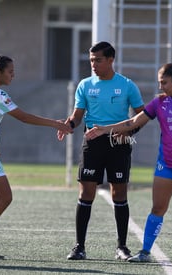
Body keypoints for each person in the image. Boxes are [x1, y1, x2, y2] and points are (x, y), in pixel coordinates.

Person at [85, 61, 172, 263]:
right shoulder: (159, 103)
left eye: (164, 82)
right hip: (166, 164)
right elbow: (133, 122)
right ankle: (145, 252)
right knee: (157, 209)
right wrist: (105, 129)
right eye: (160, 83)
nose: (161, 87)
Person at [0, 55, 72, 259]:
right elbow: (22, 116)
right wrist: (56, 124)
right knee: (5, 197)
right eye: (10, 71)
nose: (13, 75)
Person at [57, 41, 144, 261]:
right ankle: (79, 247)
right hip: (92, 143)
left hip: (119, 144)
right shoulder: (85, 85)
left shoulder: (127, 85)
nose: (93, 64)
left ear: (111, 60)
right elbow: (77, 115)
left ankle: (122, 247)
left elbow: (141, 116)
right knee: (86, 192)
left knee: (119, 193)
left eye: (98, 60)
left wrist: (129, 133)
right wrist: (68, 125)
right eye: (91, 60)